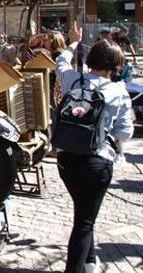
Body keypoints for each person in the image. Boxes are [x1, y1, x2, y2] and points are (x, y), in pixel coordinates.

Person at [55, 21, 134, 273]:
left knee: (84, 216)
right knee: (84, 222)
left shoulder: (73, 81)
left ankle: (89, 263)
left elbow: (61, 62)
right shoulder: (118, 90)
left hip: (66, 160)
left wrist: (73, 42)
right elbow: (125, 132)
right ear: (116, 64)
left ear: (91, 59)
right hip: (97, 163)